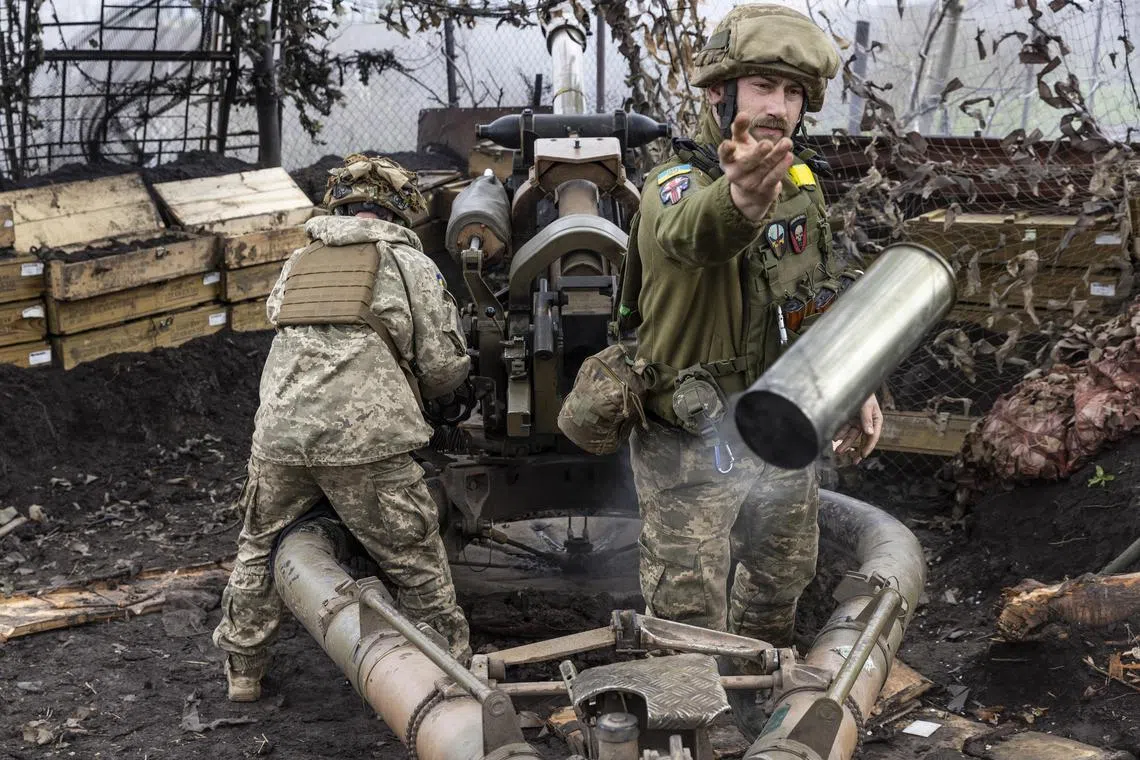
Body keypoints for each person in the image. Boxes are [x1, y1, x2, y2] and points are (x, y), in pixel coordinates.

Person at [619, 4, 884, 653]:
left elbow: (817, 292)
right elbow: (694, 234)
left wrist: (858, 384)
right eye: (764, 85)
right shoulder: (672, 187)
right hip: (689, 441)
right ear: (720, 94)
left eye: (793, 92)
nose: (780, 105)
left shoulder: (800, 187)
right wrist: (739, 201)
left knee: (781, 580)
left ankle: (758, 702)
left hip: (781, 421)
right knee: (687, 614)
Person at [212, 153, 473, 702]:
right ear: (401, 211)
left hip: (280, 433)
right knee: (414, 557)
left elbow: (278, 318)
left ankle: (243, 670)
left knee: (257, 546)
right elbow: (444, 366)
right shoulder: (408, 264)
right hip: (366, 438)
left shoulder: (300, 259)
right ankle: (452, 671)